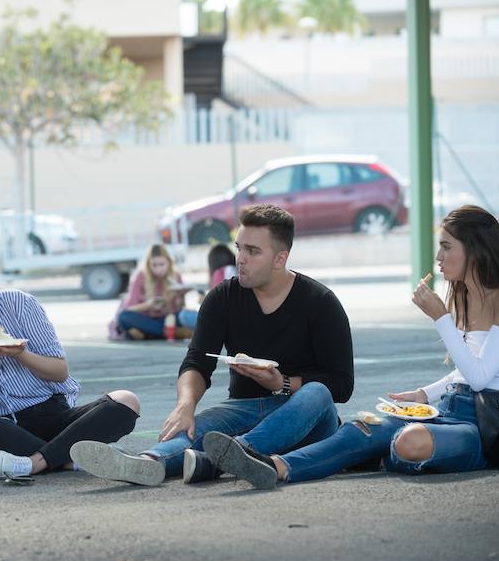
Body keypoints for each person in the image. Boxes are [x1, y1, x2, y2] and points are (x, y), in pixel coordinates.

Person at [196, 205, 499, 489]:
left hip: (487, 427)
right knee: (363, 426)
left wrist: (441, 318)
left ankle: (375, 454)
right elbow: (464, 372)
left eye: (447, 246)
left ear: (475, 250)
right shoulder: (467, 296)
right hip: (451, 408)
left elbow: (481, 378)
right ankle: (276, 467)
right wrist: (424, 394)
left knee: (409, 442)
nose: (438, 255)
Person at [72, 204, 354, 487]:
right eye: (239, 248)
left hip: (308, 418)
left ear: (280, 258)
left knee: (317, 392)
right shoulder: (223, 298)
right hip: (244, 408)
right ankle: (148, 462)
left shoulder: (320, 302)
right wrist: (185, 405)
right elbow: (197, 362)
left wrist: (281, 383)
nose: (240, 259)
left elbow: (342, 385)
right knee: (197, 425)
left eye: (252, 251)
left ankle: (236, 452)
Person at [0, 248, 140, 480]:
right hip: (1, 430)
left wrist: (20, 354)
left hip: (53, 417)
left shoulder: (18, 303)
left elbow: (59, 372)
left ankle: (34, 463)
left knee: (126, 401)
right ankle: (67, 457)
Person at [111, 244, 190, 340]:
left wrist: (180, 296)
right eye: (154, 265)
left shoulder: (176, 276)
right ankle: (170, 333)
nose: (158, 269)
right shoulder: (140, 276)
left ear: (169, 262)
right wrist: (148, 305)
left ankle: (149, 333)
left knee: (184, 315)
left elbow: (179, 310)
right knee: (123, 317)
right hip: (145, 319)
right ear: (148, 264)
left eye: (162, 264)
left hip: (167, 319)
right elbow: (129, 309)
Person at [178, 243, 237, 330]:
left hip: (224, 321)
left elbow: (222, 301)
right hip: (231, 318)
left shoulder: (220, 272)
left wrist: (206, 300)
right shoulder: (234, 269)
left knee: (184, 315)